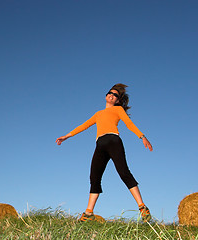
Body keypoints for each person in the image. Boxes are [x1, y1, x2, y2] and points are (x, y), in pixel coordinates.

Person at [56, 83, 153, 222]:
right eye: (110, 93)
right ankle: (89, 213)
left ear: (118, 100)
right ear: (106, 95)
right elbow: (84, 125)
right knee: (94, 177)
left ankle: (142, 207)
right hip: (100, 145)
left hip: (113, 141)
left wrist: (142, 137)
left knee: (124, 172)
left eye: (115, 95)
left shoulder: (118, 110)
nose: (112, 95)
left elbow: (129, 124)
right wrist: (66, 136)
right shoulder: (98, 114)